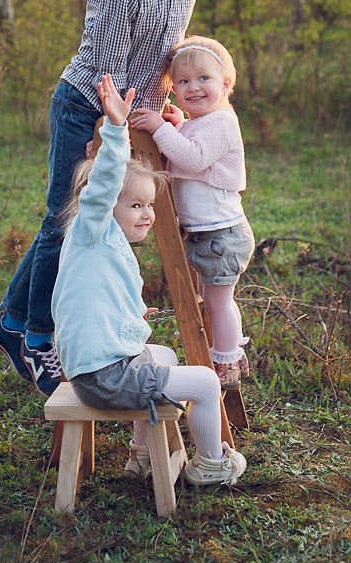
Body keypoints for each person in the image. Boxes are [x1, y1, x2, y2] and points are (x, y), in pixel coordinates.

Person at [0, 0, 207, 396]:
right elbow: (110, 68)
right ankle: (37, 337)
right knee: (65, 218)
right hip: (90, 105)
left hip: (132, 109)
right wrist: (109, 129)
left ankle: (9, 321)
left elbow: (161, 52)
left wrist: (164, 103)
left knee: (88, 219)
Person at [52, 73, 246, 486]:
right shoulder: (93, 228)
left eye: (150, 205)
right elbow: (104, 185)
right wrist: (118, 128)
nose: (147, 214)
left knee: (166, 356)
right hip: (105, 376)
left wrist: (132, 311)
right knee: (207, 382)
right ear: (104, 206)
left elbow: (94, 298)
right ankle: (212, 464)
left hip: (100, 366)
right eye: (136, 205)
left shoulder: (100, 247)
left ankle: (141, 457)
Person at [131, 36, 255, 389]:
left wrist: (160, 128)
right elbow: (183, 152)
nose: (193, 87)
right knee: (214, 300)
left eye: (204, 79)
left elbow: (194, 158)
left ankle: (227, 362)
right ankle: (230, 349)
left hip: (221, 235)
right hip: (205, 233)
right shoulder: (202, 121)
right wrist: (176, 125)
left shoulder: (221, 122)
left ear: (226, 84)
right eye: (182, 82)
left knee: (218, 303)